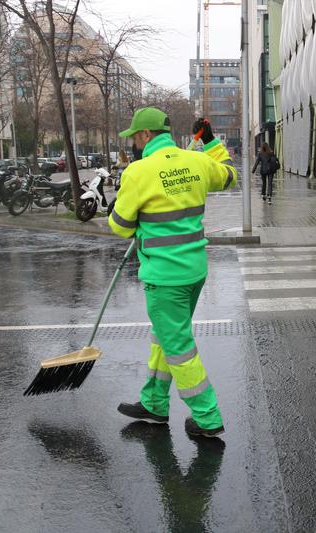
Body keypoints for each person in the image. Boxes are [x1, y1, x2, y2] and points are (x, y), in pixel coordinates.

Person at [109, 107, 237, 439]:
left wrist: (126, 214)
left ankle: (207, 417)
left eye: (136, 137)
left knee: (178, 345)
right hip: (195, 271)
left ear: (146, 135)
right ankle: (153, 402)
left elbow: (120, 227)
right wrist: (209, 142)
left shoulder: (137, 173)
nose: (135, 143)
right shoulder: (196, 161)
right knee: (166, 337)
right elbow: (229, 174)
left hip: (165, 277)